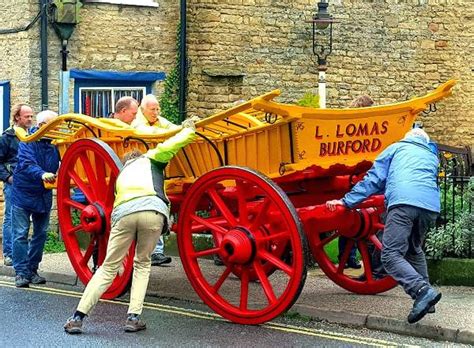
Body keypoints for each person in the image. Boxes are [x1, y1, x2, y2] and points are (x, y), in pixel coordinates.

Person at [64, 117, 197, 334]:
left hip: (124, 214)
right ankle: (133, 318)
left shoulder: (121, 175)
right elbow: (171, 145)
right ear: (141, 156)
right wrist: (189, 129)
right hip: (152, 212)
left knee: (108, 267)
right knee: (142, 263)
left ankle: (77, 317)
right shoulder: (151, 158)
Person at [326, 128, 442, 324]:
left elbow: (374, 179)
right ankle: (428, 302)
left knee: (389, 255)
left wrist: (347, 202)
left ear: (406, 138)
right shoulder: (431, 156)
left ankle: (421, 291)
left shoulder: (396, 148)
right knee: (414, 250)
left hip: (404, 203)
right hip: (430, 207)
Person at [12, 110, 60, 287]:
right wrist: (42, 174)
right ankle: (21, 273)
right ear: (42, 126)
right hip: (23, 193)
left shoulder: (56, 143)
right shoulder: (27, 141)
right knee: (20, 234)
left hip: (43, 194)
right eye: (54, 125)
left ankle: (32, 269)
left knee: (41, 234)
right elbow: (26, 163)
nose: (57, 129)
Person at [131, 94, 180, 266]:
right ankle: (154, 252)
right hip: (145, 169)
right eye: (153, 109)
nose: (156, 112)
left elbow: (173, 128)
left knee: (159, 205)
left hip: (159, 168)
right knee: (155, 205)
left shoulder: (159, 120)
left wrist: (182, 129)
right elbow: (148, 133)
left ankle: (156, 251)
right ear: (142, 110)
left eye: (158, 108)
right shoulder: (138, 122)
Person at [337, 95, 374, 269]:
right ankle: (351, 257)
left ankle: (348, 257)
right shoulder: (365, 124)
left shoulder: (348, 122)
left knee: (351, 216)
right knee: (352, 216)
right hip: (355, 176)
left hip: (351, 175)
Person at [0, 104, 33, 266]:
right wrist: (8, 178)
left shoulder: (32, 135)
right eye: (27, 116)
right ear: (17, 117)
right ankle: (9, 254)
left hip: (29, 183)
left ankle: (20, 253)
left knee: (24, 218)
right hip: (13, 184)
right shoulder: (7, 137)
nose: (30, 119)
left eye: (31, 116)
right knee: (11, 217)